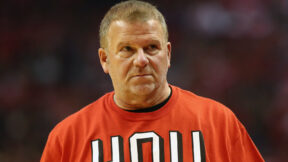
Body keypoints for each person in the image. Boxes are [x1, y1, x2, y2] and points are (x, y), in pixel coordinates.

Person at [41, 0, 264, 161]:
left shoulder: (218, 123)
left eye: (151, 48)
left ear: (168, 54)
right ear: (104, 59)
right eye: (127, 49)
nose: (141, 60)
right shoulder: (68, 138)